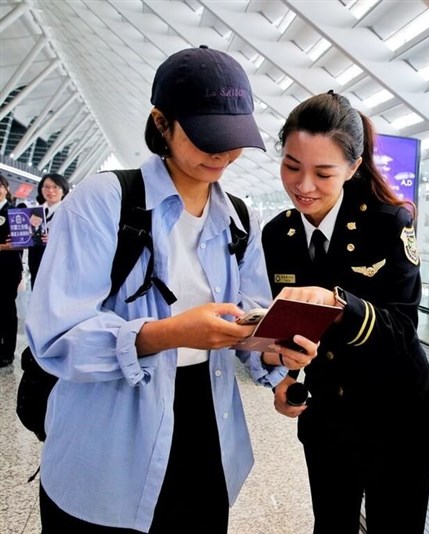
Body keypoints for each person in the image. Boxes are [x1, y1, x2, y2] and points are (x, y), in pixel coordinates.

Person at [25, 45, 317, 533]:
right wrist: (168, 333)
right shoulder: (102, 202)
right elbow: (57, 337)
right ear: (161, 123)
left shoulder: (239, 218)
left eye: (233, 139)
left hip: (205, 425)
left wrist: (273, 353)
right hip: (108, 430)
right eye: (206, 138)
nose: (222, 154)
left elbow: (248, 320)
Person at [262, 91, 429, 534]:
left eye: (323, 173)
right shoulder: (278, 235)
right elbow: (286, 328)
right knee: (331, 525)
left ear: (353, 167)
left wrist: (340, 304)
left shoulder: (389, 223)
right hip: (327, 415)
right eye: (291, 166)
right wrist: (284, 374)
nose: (303, 186)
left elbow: (402, 328)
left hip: (398, 415)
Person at [27, 172, 70, 288]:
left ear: (64, 191)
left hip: (57, 264)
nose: (50, 191)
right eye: (46, 186)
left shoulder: (69, 214)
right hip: (36, 261)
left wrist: (55, 238)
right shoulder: (34, 213)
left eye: (55, 187)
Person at [0, 176, 23, 368]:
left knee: (6, 309)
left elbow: (22, 243)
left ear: (6, 189)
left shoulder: (16, 212)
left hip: (7, 268)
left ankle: (7, 352)